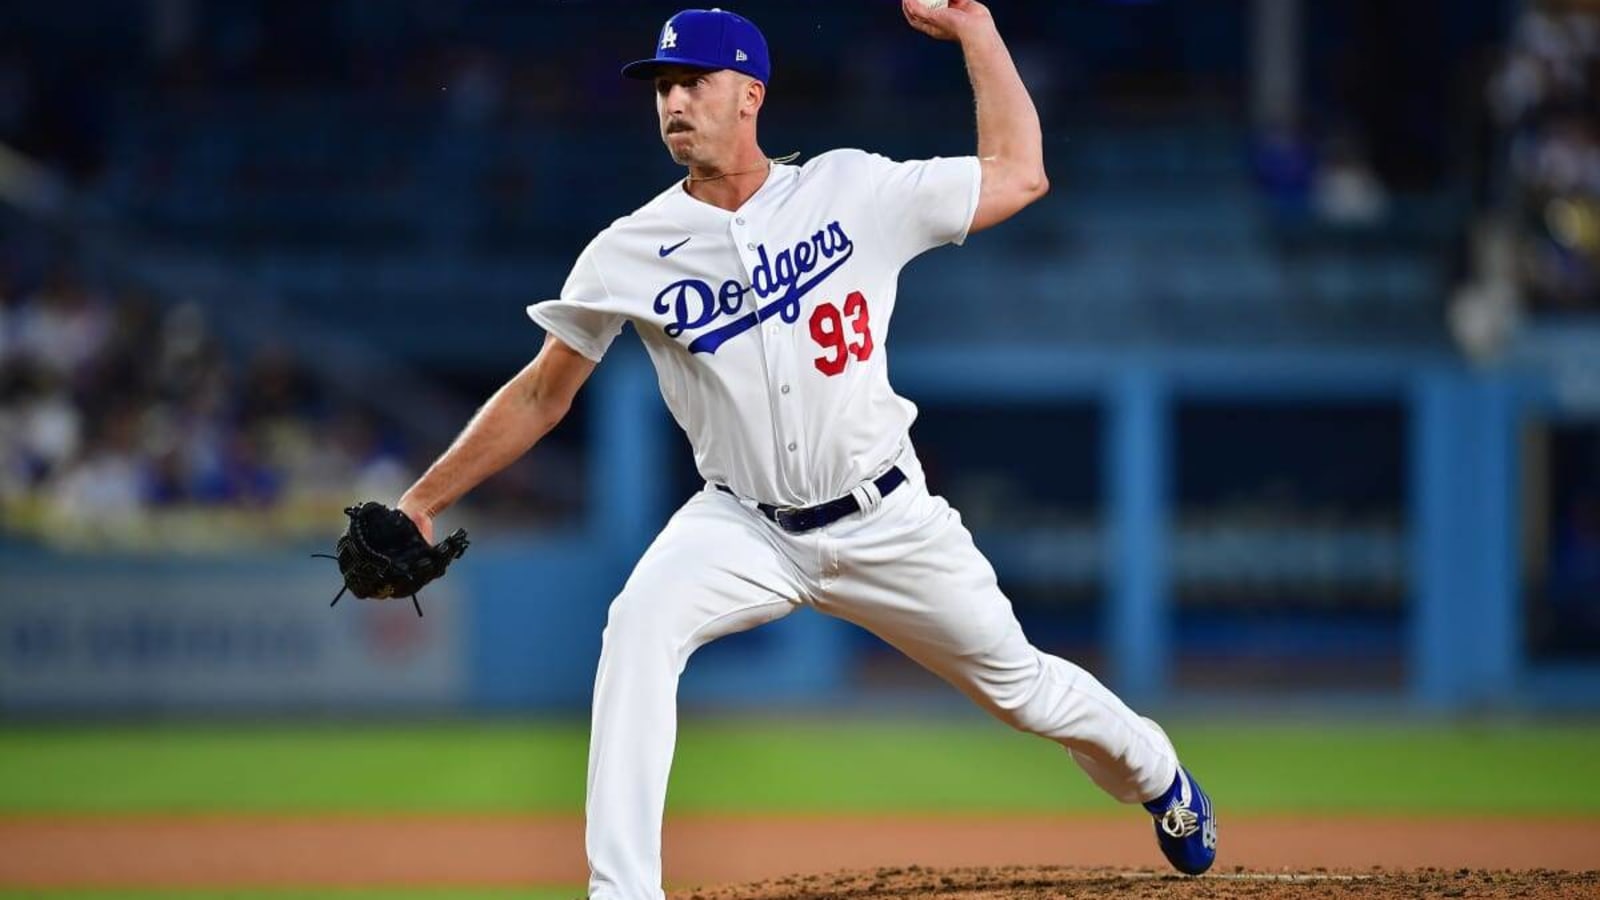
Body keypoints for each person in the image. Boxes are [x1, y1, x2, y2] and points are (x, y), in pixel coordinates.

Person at [394, 4, 1216, 897]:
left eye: (693, 83)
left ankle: (1156, 771)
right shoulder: (626, 250)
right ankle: (621, 891)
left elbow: (1020, 175)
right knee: (638, 625)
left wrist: (978, 32)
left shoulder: (850, 189)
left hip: (887, 516)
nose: (673, 102)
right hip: (743, 525)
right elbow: (542, 393)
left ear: (750, 93)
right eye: (663, 86)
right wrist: (423, 499)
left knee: (1023, 690)